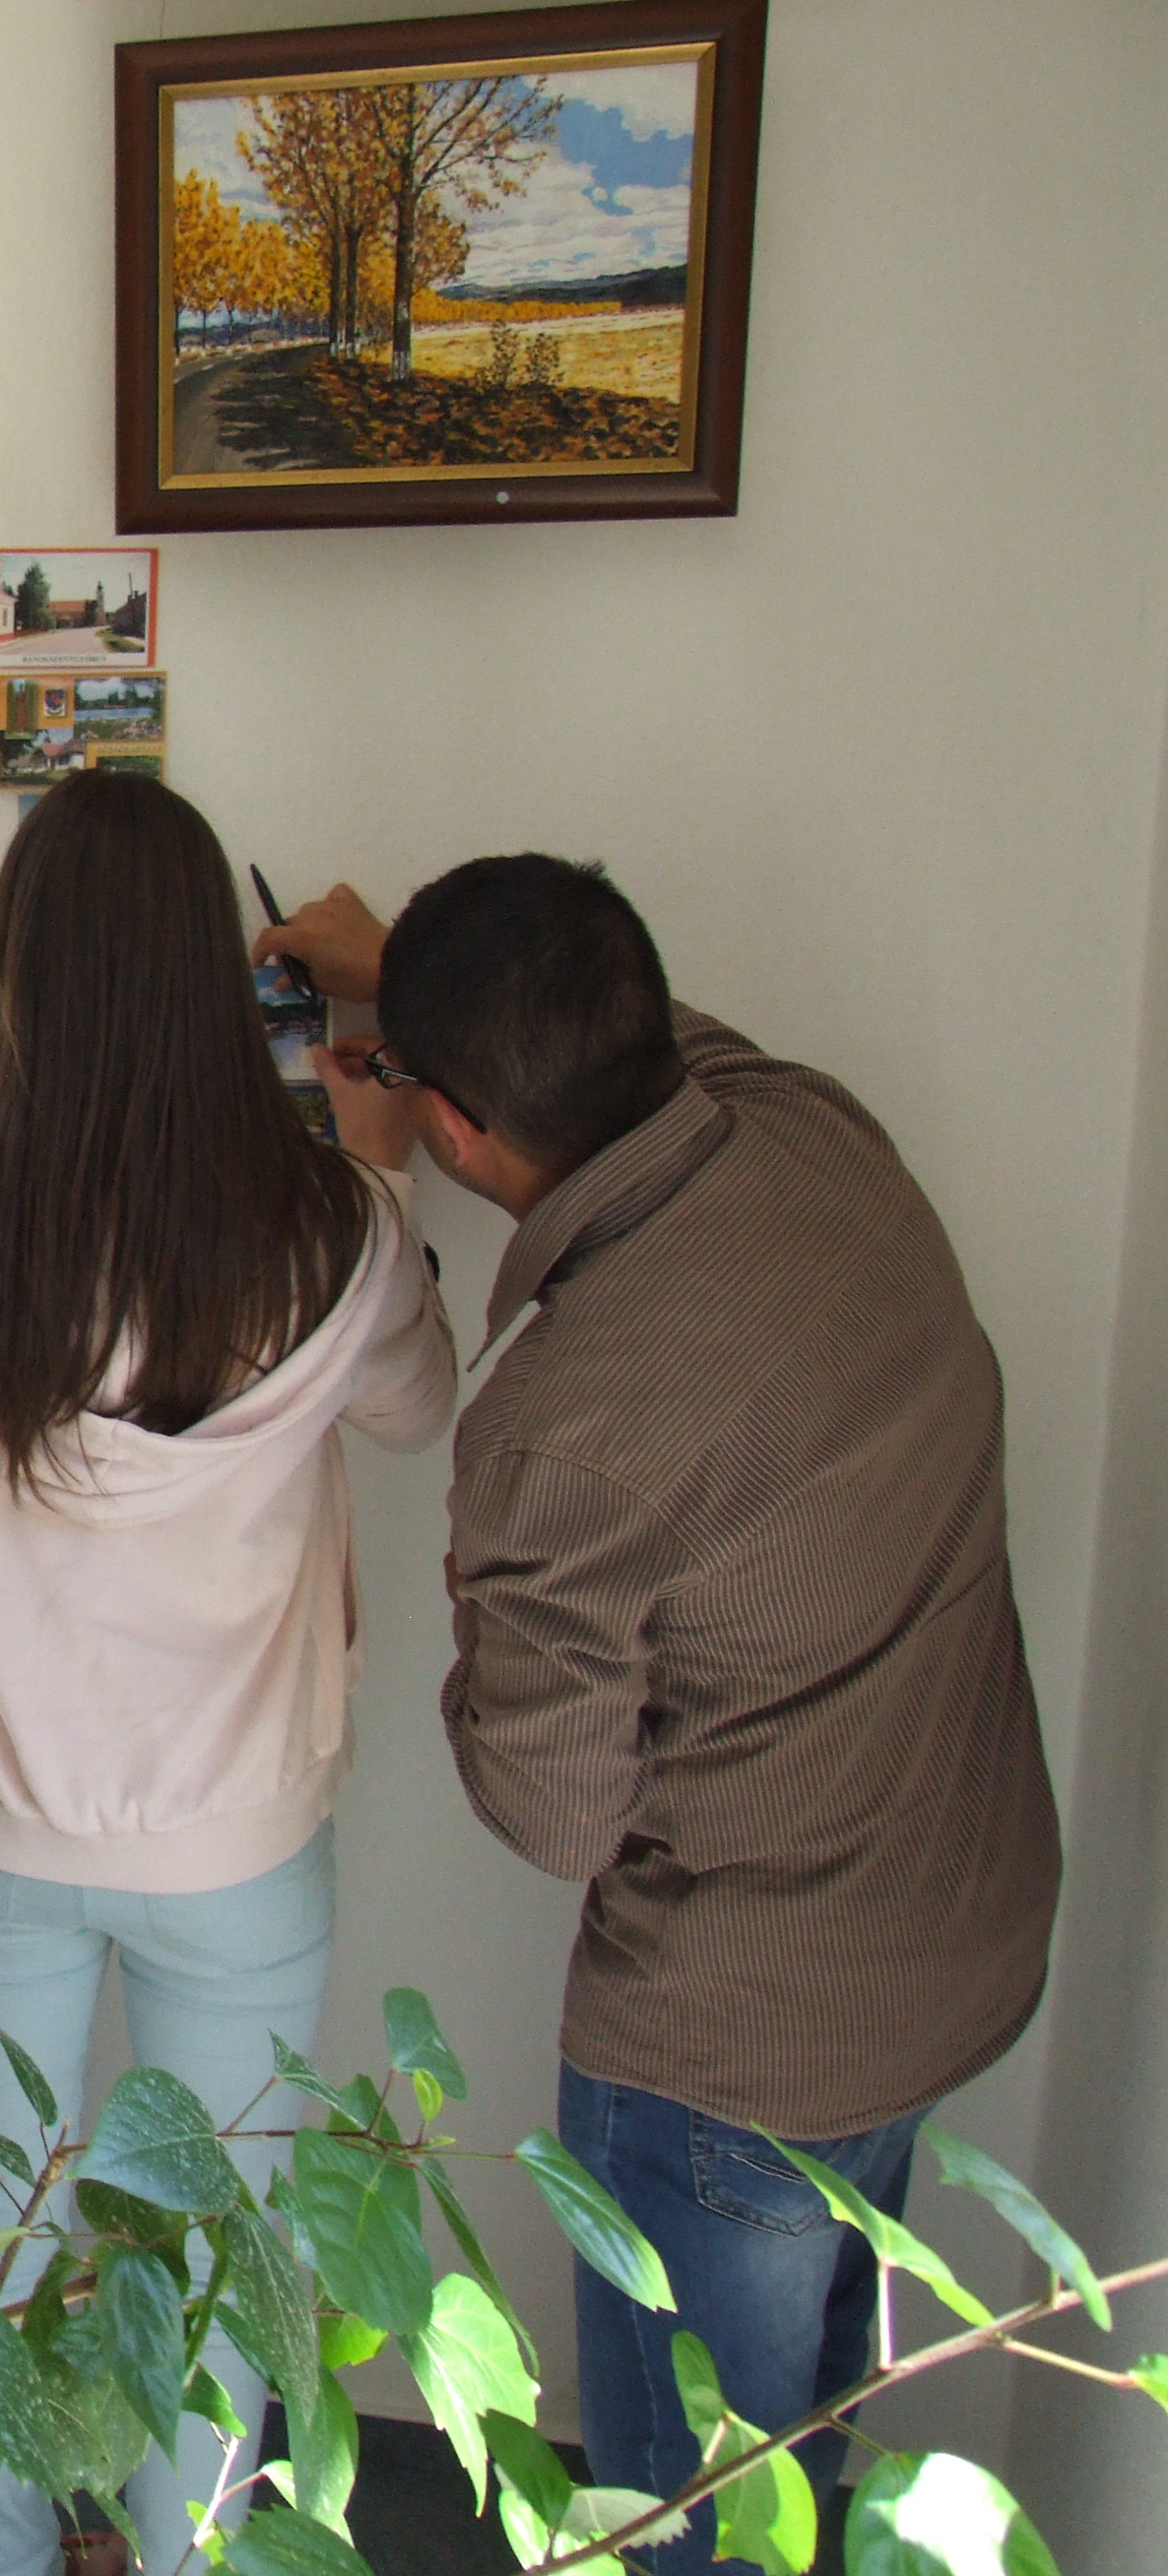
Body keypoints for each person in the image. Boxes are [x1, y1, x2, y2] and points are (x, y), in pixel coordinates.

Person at [258, 859, 1061, 2567]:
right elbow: (638, 1045)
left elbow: (549, 1816)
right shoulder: (805, 1127)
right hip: (960, 1931)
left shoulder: (558, 1426)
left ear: (451, 1126)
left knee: (684, 2504)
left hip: (735, 2051)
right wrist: (405, 975)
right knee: (810, 2432)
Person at [0, 774, 456, 2575]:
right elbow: (419, 1408)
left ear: (9, 972)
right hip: (238, 1845)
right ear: (215, 981)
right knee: (216, 2256)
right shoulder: (334, 1229)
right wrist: (386, 1164)